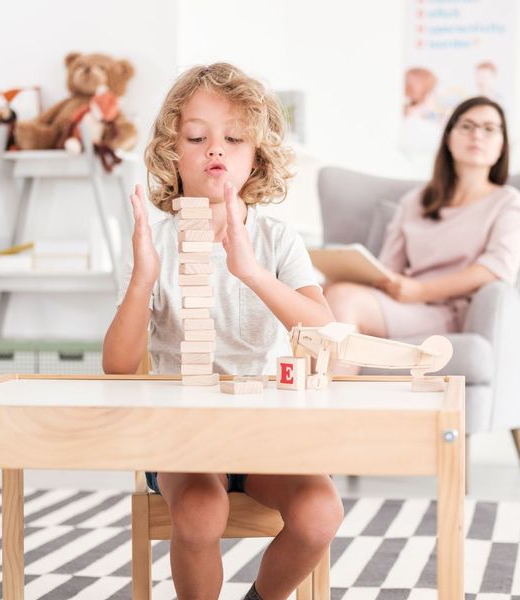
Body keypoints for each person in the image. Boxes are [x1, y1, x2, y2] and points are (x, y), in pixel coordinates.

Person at [102, 63, 343, 600]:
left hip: (266, 434)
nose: (216, 148)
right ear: (173, 152)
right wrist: (143, 279)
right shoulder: (156, 243)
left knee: (321, 512)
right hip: (183, 439)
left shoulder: (277, 239)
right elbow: (118, 366)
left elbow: (324, 330)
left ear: (256, 158)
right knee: (201, 510)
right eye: (197, 136)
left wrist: (251, 271)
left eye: (234, 138)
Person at [325, 96, 520, 374]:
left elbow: (496, 269)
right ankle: (313, 403)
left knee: (344, 300)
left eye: (489, 128)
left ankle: (330, 412)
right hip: (402, 302)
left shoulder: (508, 203)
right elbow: (389, 268)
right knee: (321, 296)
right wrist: (351, 272)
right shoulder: (416, 201)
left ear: (502, 145)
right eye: (467, 126)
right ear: (449, 138)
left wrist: (421, 291)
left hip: (448, 310)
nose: (477, 135)